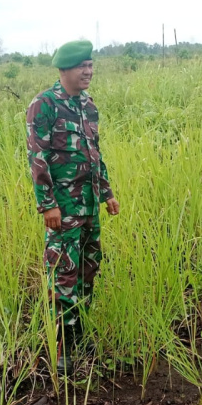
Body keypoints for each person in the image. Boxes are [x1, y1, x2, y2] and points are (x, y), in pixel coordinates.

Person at [26, 40, 120, 371]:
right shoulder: (45, 104)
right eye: (82, 66)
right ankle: (62, 348)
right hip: (63, 209)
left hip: (90, 205)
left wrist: (107, 193)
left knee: (87, 270)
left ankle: (79, 336)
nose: (89, 72)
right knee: (63, 273)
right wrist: (47, 205)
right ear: (64, 68)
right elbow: (36, 156)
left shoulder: (88, 105)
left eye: (91, 66)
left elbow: (94, 153)